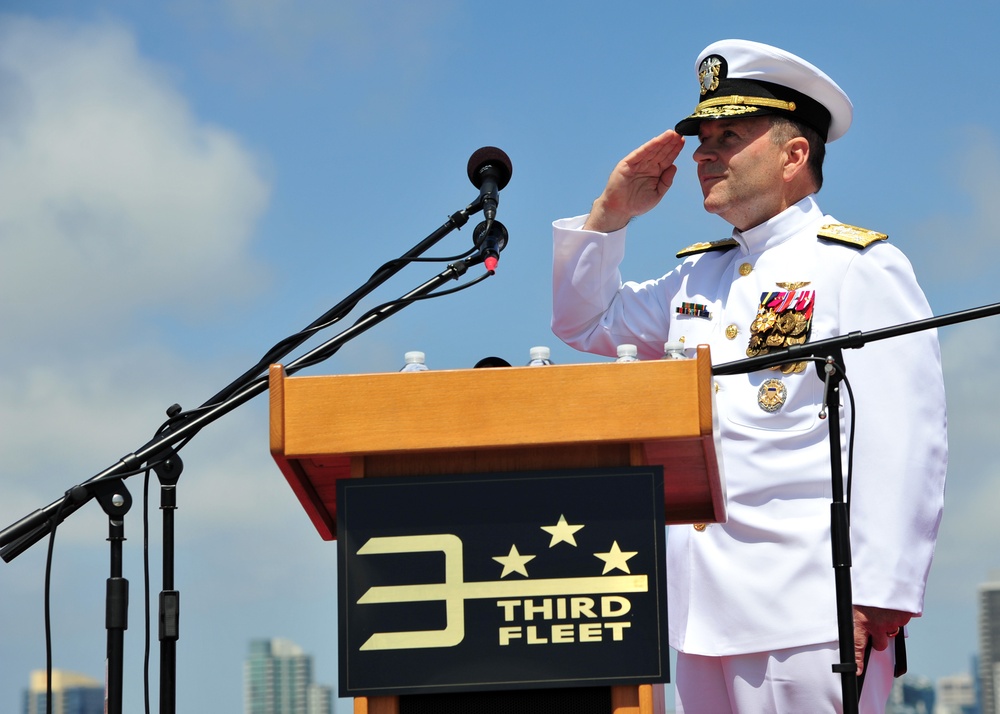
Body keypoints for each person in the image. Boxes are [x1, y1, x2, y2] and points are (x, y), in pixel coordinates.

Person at [550, 39, 947, 713]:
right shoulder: (697, 276)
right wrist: (610, 215)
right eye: (701, 138)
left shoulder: (858, 267)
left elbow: (906, 435)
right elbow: (585, 323)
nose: (704, 154)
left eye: (728, 136)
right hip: (701, 615)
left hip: (813, 611)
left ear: (794, 156)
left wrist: (879, 593)